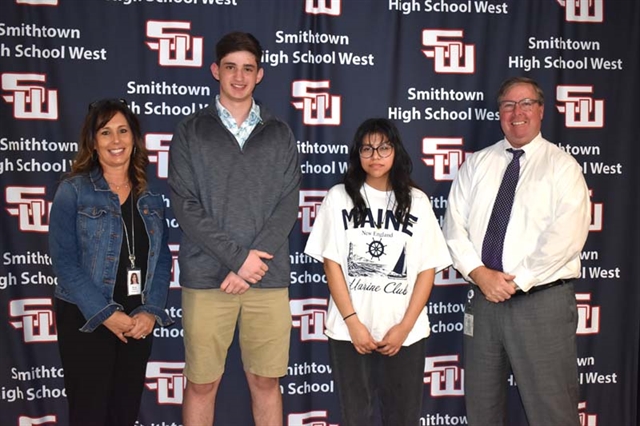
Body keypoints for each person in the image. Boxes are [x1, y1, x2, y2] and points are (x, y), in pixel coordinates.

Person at [168, 31, 301, 426]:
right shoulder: (191, 131)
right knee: (202, 384)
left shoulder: (279, 133)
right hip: (208, 279)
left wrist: (251, 264)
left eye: (247, 69)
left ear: (259, 74)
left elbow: (288, 205)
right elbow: (185, 205)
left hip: (267, 278)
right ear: (215, 71)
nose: (239, 77)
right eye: (230, 68)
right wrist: (238, 259)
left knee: (265, 381)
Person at [443, 77, 591, 426]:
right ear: (499, 114)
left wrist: (517, 281)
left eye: (526, 104)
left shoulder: (562, 166)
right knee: (482, 409)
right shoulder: (476, 164)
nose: (517, 112)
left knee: (552, 411)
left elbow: (566, 235)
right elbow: (454, 226)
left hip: (541, 303)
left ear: (541, 110)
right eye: (508, 105)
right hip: (484, 301)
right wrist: (480, 275)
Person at [304, 118, 451, 426]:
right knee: (355, 416)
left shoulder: (417, 202)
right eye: (367, 148)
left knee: (403, 418)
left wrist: (405, 327)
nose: (375, 156)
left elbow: (427, 269)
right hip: (349, 330)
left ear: (395, 151)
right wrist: (353, 323)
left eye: (383, 148)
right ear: (357, 154)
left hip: (404, 332)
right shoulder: (338, 197)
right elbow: (331, 263)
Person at [48, 98, 174, 426]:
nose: (116, 141)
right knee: (89, 414)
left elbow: (161, 261)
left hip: (137, 323)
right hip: (85, 320)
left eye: (123, 131)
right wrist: (106, 314)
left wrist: (151, 311)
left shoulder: (151, 196)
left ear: (134, 139)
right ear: (93, 141)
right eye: (106, 133)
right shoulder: (72, 191)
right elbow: (64, 262)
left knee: (124, 413)